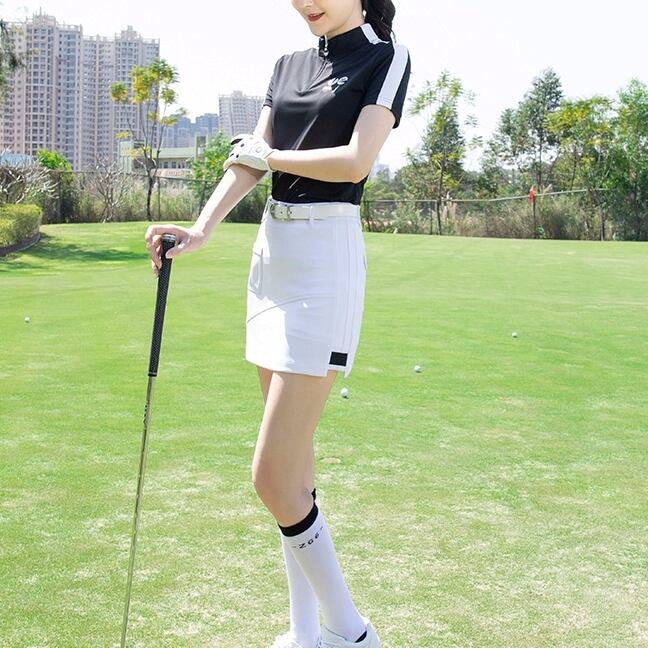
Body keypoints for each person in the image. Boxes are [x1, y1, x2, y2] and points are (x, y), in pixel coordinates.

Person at [145, 1, 411, 646]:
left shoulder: (386, 55)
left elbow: (355, 161)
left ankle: (351, 633)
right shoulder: (288, 64)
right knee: (293, 478)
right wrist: (202, 229)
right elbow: (250, 159)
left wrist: (272, 155)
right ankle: (303, 633)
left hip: (325, 259)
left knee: (271, 476)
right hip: (273, 256)